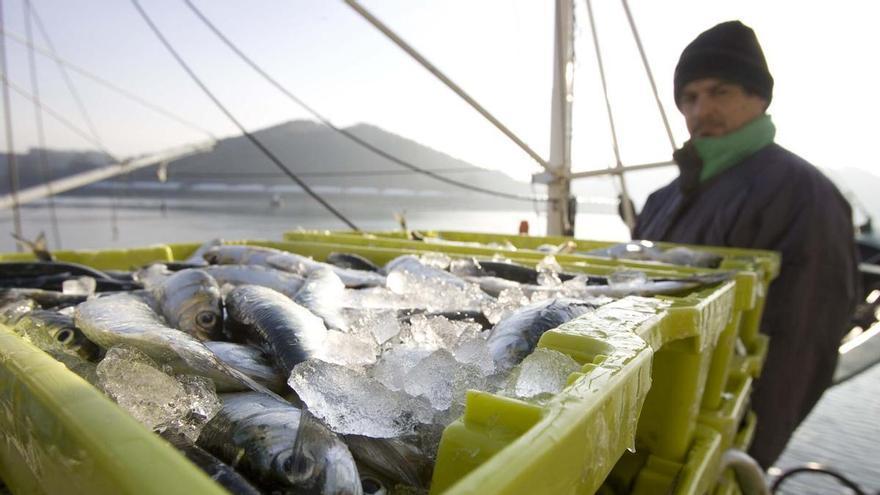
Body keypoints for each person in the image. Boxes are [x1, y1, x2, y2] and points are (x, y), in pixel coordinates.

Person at [633, 20, 858, 468]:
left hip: (709, 442)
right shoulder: (663, 199)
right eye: (690, 97)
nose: (701, 110)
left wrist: (741, 453)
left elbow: (803, 349)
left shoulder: (804, 196)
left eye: (720, 92)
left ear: (759, 97)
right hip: (644, 423)